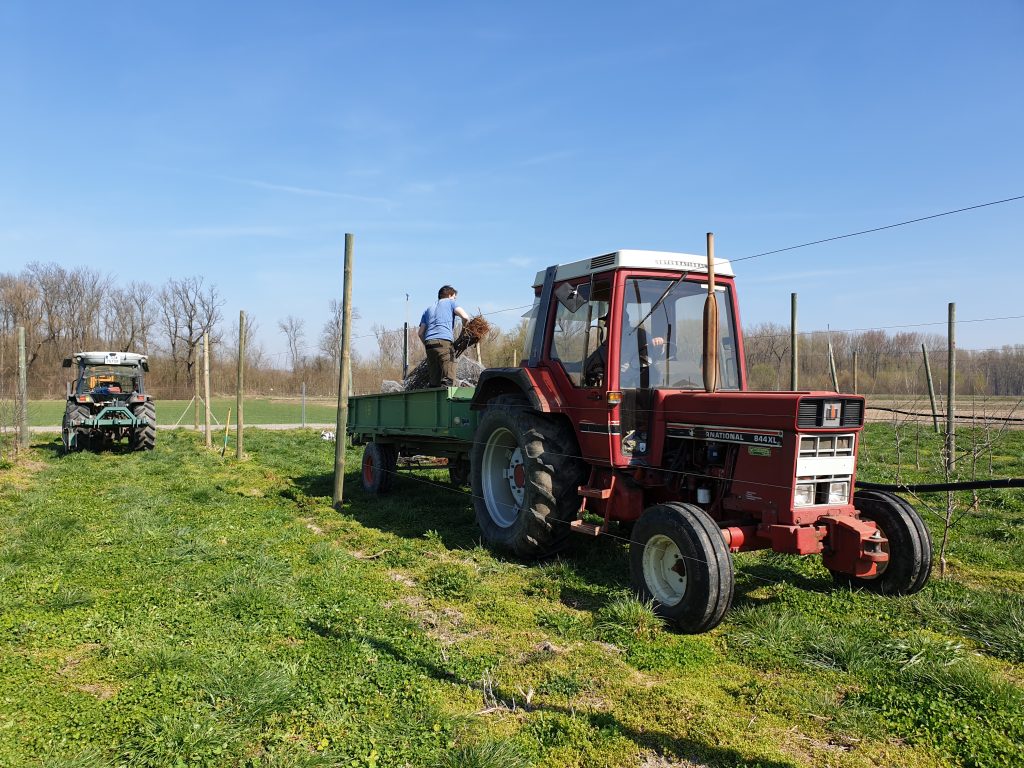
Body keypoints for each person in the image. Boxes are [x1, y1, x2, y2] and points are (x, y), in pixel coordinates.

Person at [418, 285, 471, 387]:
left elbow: (420, 333)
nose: (455, 299)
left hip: (429, 344)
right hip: (444, 342)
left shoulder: (427, 309)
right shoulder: (451, 302)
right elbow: (465, 317)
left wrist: (428, 344)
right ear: (450, 295)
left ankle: (435, 398)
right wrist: (463, 333)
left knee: (434, 382)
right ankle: (447, 399)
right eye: (454, 297)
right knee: (448, 379)